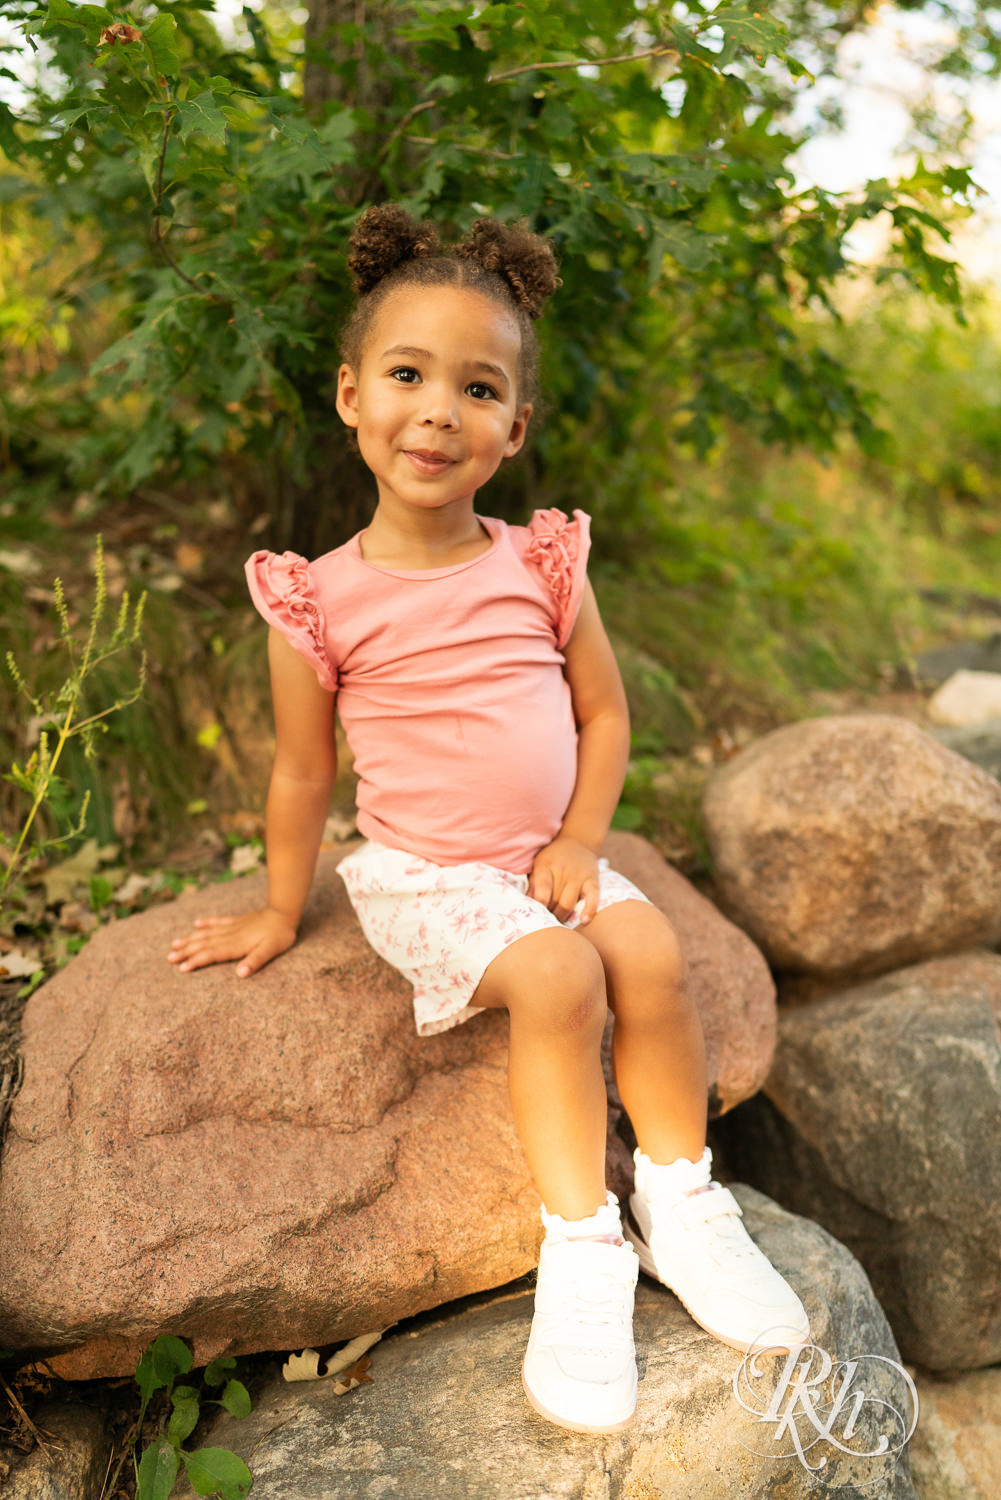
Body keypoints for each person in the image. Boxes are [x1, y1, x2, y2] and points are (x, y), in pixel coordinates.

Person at [168, 204, 809, 1434]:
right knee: (565, 977)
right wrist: (276, 903)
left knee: (650, 952)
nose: (437, 410)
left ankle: (681, 1203)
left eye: (477, 387)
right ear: (351, 394)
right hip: (428, 872)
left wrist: (579, 836)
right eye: (407, 375)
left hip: (539, 853)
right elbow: (302, 776)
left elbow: (605, 719)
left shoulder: (540, 565)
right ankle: (582, 1244)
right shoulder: (317, 600)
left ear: (512, 430)